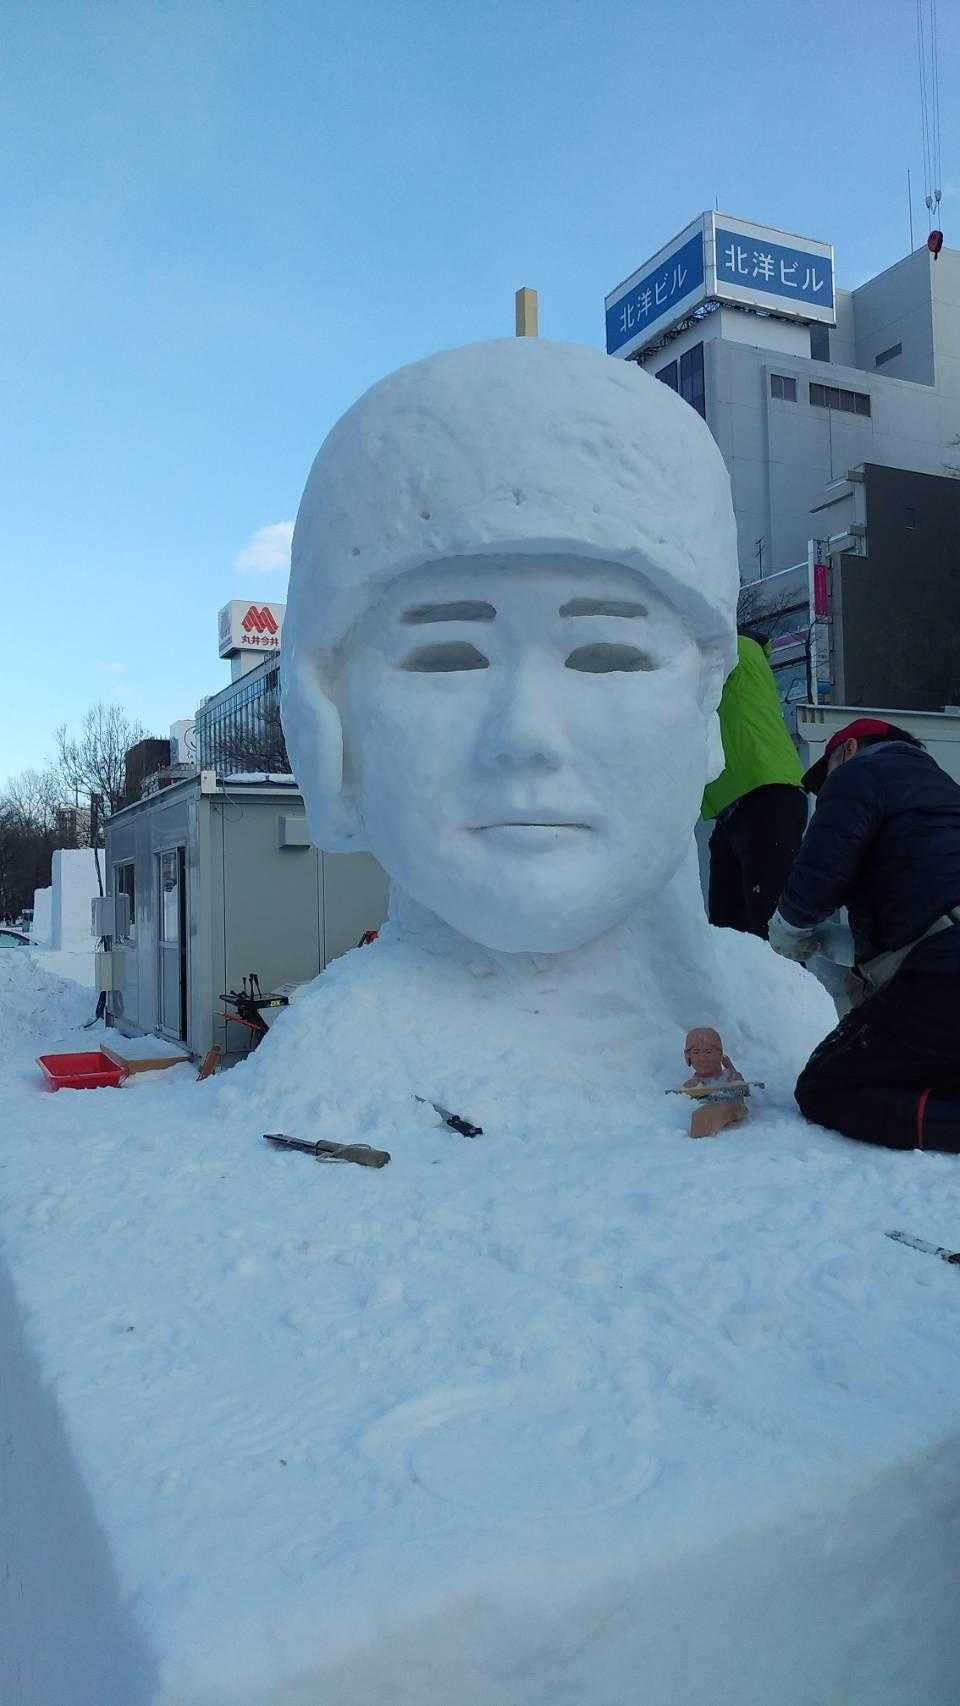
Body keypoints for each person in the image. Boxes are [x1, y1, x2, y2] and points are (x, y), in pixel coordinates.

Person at [768, 717, 960, 1152]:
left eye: (827, 776)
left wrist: (788, 926)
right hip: (945, 965)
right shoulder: (943, 793)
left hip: (945, 976)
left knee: (827, 1086)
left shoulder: (862, 771)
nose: (825, 792)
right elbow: (922, 901)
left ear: (849, 749)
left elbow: (821, 871)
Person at [701, 629, 807, 939]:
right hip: (741, 799)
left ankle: (783, 970)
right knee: (730, 929)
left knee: (766, 925)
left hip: (763, 790)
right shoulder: (741, 653)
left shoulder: (732, 648)